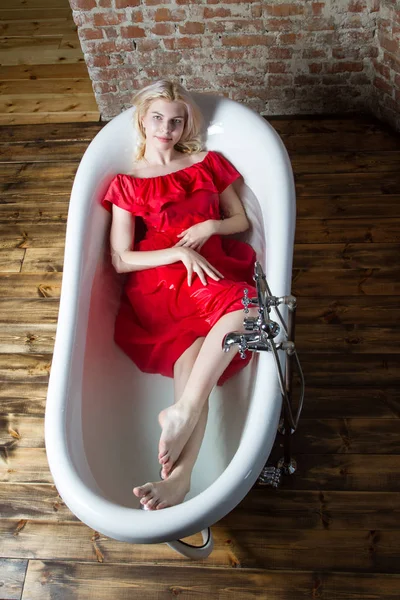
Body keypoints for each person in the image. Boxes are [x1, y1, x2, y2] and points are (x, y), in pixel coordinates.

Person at [101, 80, 258, 511]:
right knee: (197, 353)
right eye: (157, 118)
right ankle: (183, 446)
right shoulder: (128, 183)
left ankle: (180, 469)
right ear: (142, 119)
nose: (166, 128)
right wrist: (173, 252)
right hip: (160, 283)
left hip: (208, 270)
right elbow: (120, 259)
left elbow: (239, 219)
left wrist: (210, 227)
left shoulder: (206, 163)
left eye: (176, 120)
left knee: (243, 312)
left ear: (186, 122)